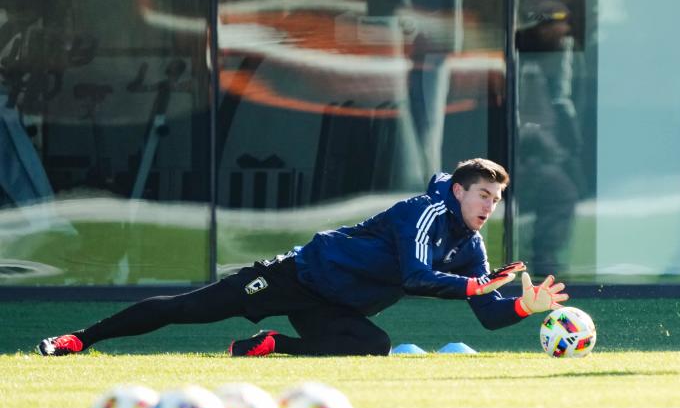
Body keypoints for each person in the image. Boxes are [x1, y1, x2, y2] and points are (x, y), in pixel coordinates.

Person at [38, 157, 568, 357]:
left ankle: (274, 344)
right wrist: (476, 286)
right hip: (300, 276)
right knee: (188, 308)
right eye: (483, 196)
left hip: (338, 308)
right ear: (458, 191)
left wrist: (526, 305)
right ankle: (80, 339)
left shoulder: (471, 245)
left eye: (496, 201)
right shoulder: (421, 212)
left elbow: (490, 317)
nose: (490, 207)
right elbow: (415, 275)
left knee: (372, 346)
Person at [515, 0, 583, 276]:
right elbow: (527, 121)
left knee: (568, 188)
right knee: (561, 193)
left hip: (544, 152)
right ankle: (543, 260)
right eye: (557, 25)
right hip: (526, 155)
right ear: (541, 28)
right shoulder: (523, 62)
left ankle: (541, 258)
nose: (565, 31)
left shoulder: (555, 58)